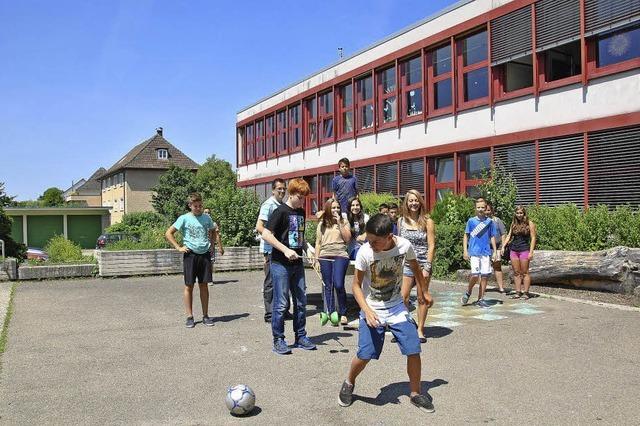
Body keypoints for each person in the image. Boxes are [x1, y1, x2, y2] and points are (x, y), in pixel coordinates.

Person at [337, 214, 435, 412]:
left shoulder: (404, 246)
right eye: (368, 239)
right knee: (365, 354)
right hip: (372, 308)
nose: (370, 244)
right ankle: (349, 382)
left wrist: (424, 291)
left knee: (413, 348)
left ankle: (415, 393)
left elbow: (415, 268)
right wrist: (366, 311)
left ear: (389, 236)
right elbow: (355, 286)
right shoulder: (365, 253)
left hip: (396, 306)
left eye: (375, 241)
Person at [261, 177, 316, 355]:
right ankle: (279, 339)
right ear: (291, 194)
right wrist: (285, 250)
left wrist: (308, 248)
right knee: (281, 303)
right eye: (300, 197)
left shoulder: (300, 213)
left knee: (301, 302)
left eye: (304, 198)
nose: (302, 201)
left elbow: (299, 237)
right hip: (280, 264)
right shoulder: (280, 212)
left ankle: (300, 336)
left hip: (297, 264)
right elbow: (267, 234)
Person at [165, 193, 216, 328]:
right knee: (189, 286)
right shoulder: (184, 218)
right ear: (190, 206)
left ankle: (205, 315)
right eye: (195, 206)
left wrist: (212, 244)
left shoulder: (207, 218)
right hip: (190, 255)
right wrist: (178, 247)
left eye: (200, 206)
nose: (198, 208)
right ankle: (189, 316)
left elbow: (213, 230)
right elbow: (168, 233)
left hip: (204, 255)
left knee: (204, 285)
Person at [398, 190, 435, 343]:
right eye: (410, 201)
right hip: (406, 263)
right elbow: (398, 243)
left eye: (416, 200)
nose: (413, 203)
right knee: (403, 298)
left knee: (421, 298)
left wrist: (427, 267)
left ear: (420, 202)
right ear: (406, 203)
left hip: (422, 264)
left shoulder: (428, 221)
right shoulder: (401, 221)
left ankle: (420, 330)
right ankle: (406, 328)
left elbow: (431, 246)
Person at [255, 178, 291, 323]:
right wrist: (271, 238)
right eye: (279, 189)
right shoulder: (269, 205)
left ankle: (284, 310)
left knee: (284, 279)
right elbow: (259, 226)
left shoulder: (281, 205)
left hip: (281, 249)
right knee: (270, 282)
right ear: (273, 190)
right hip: (270, 249)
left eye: (284, 189)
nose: (282, 191)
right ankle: (269, 314)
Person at [315, 199, 352, 326]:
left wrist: (339, 223)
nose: (336, 210)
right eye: (333, 208)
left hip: (340, 254)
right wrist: (316, 259)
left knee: (338, 284)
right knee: (328, 285)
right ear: (328, 209)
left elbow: (347, 239)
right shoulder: (322, 223)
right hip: (325, 254)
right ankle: (331, 313)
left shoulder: (344, 221)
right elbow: (318, 243)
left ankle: (343, 313)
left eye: (338, 208)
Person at [461, 198, 498, 308]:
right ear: (475, 208)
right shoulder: (471, 221)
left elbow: (492, 236)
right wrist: (465, 250)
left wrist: (495, 251)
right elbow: (466, 236)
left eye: (483, 207)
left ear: (486, 208)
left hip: (485, 252)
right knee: (475, 275)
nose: (481, 209)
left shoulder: (489, 222)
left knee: (485, 276)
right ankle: (468, 291)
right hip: (474, 252)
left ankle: (480, 299)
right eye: (478, 207)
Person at [502, 206, 537, 300]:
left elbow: (533, 238)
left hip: (524, 249)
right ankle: (518, 292)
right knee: (516, 272)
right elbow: (509, 235)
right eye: (517, 213)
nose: (519, 215)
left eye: (521, 213)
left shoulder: (530, 223)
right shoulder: (513, 223)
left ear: (524, 213)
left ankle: (526, 292)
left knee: (525, 272)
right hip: (514, 250)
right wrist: (503, 246)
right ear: (515, 214)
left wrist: (531, 252)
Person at [484, 203, 506, 293]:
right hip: (484, 248)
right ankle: (483, 287)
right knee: (484, 268)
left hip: (496, 248)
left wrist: (502, 246)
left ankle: (500, 287)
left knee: (497, 266)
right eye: (485, 210)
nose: (487, 212)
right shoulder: (481, 221)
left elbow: (503, 233)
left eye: (488, 210)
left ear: (492, 211)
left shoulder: (497, 220)